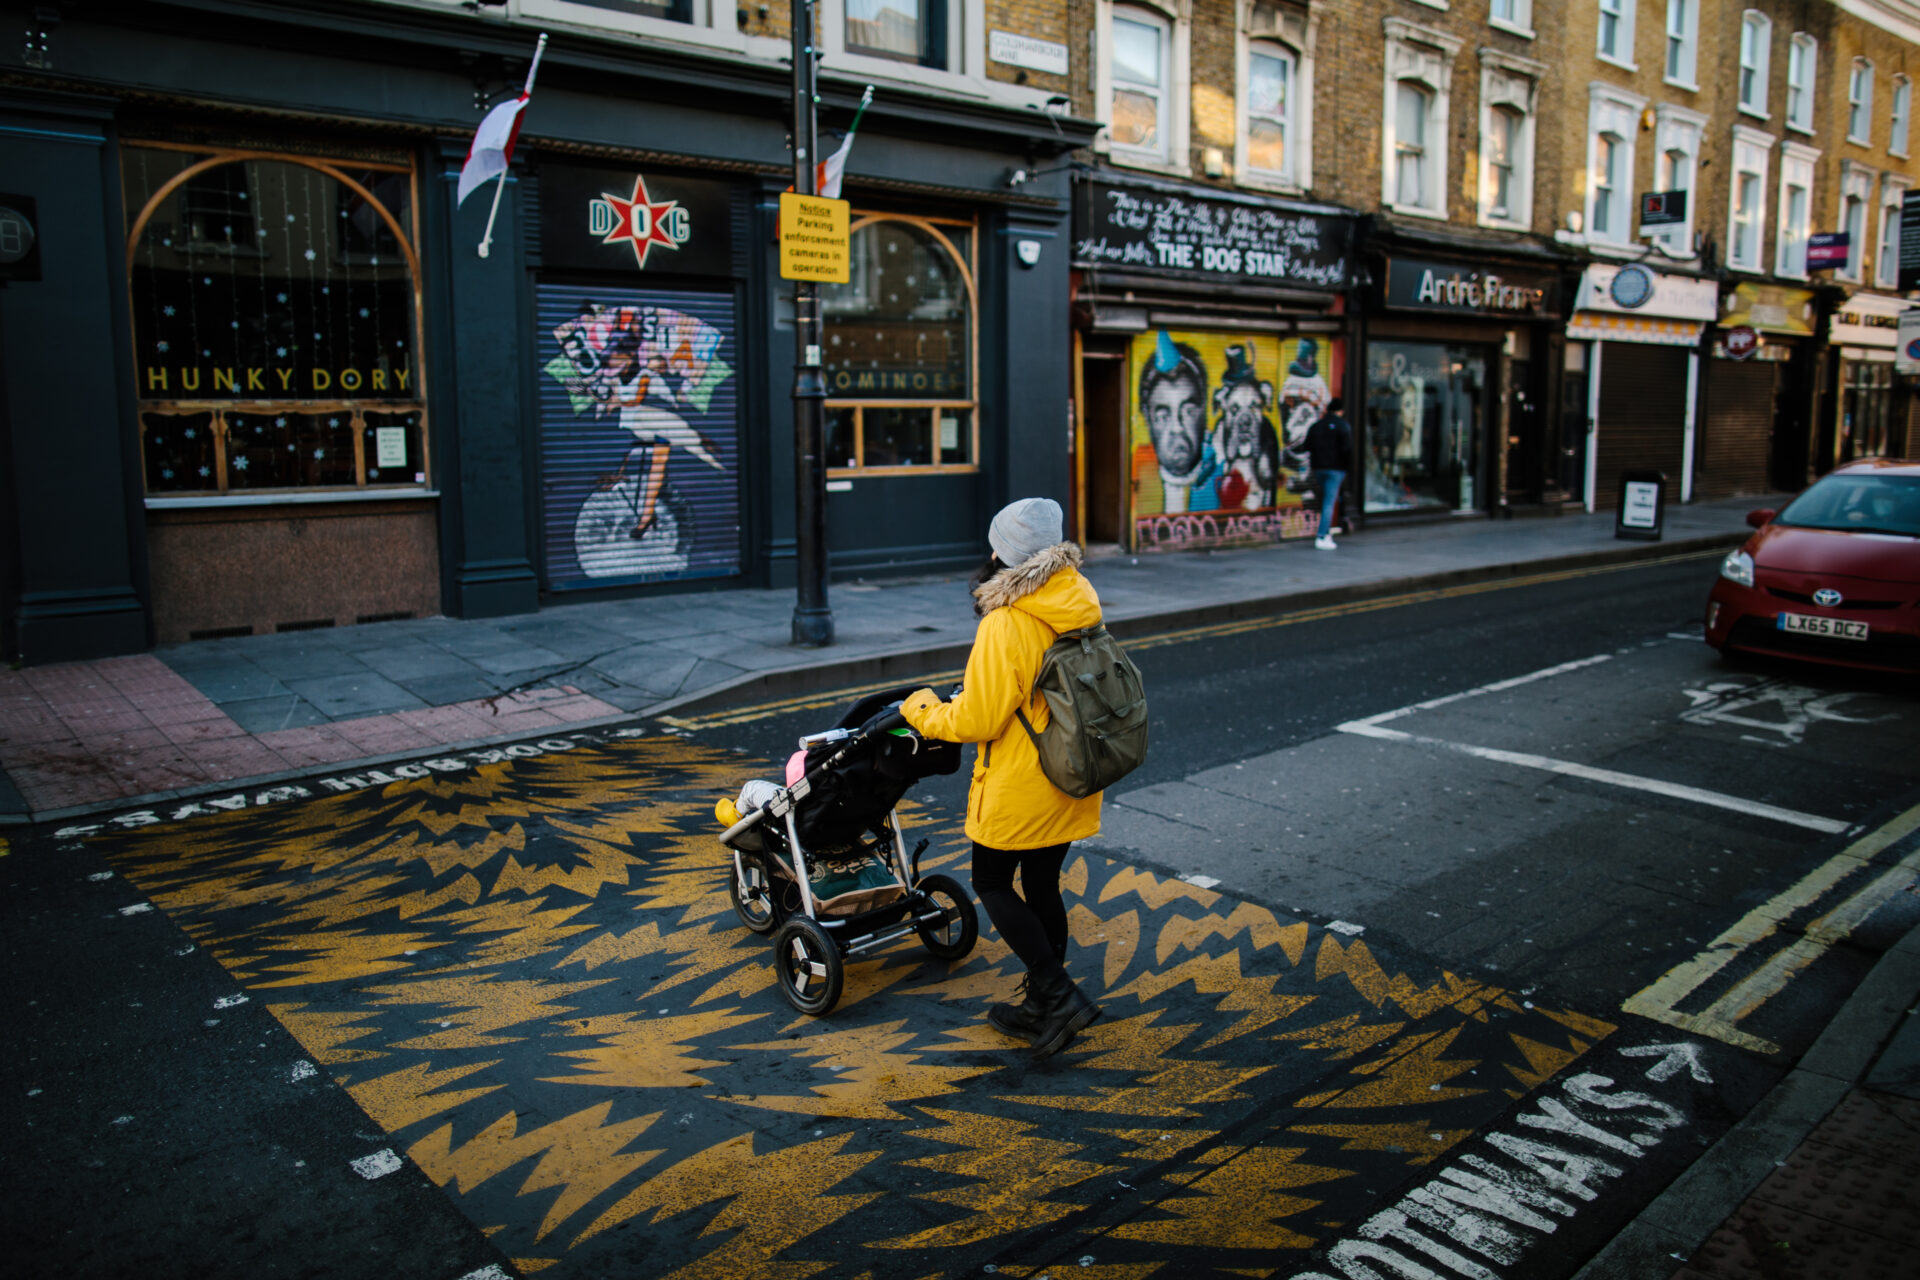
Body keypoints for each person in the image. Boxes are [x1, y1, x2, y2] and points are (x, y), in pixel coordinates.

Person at [899, 497, 1104, 1059]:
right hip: (1070, 767)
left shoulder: (1006, 620)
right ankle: (1044, 1001)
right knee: (1041, 884)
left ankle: (1058, 995)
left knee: (991, 882)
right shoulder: (1076, 597)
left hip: (1023, 778)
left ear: (1002, 553)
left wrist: (919, 709)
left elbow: (979, 720)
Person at [1305, 396, 1354, 550]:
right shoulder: (1343, 426)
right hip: (1336, 469)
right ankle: (1322, 536)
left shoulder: (1317, 425)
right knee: (1328, 502)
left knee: (1324, 501)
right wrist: (1347, 468)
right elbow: (1347, 449)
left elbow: (1307, 445)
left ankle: (1325, 532)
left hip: (1318, 468)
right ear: (1341, 411)